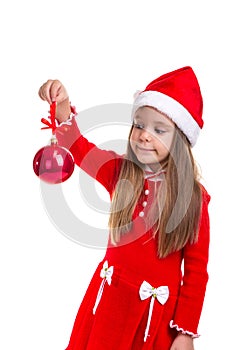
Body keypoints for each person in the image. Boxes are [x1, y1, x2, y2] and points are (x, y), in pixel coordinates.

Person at [38, 66, 210, 350]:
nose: (144, 135)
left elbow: (196, 271)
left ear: (180, 139)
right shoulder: (121, 173)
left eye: (159, 129)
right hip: (108, 307)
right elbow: (79, 147)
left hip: (152, 319)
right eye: (139, 124)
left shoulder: (193, 200)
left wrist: (185, 332)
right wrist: (64, 108)